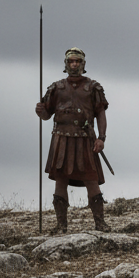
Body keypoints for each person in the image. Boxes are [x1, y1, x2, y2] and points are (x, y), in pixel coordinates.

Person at [35, 46, 110, 233]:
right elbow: (46, 115)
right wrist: (41, 111)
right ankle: (61, 226)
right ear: (66, 64)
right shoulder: (56, 88)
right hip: (62, 140)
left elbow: (100, 113)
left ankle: (100, 223)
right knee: (60, 180)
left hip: (85, 140)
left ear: (83, 64)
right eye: (70, 61)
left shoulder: (93, 87)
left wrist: (101, 138)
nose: (74, 64)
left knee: (91, 180)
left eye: (77, 61)